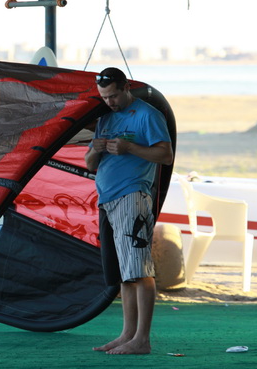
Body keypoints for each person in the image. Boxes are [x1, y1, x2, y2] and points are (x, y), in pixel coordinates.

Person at [85, 67, 173, 355]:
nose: (109, 102)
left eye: (112, 96)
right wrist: (96, 149)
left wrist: (130, 148)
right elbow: (89, 164)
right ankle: (127, 334)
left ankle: (142, 339)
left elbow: (165, 154)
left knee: (138, 268)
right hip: (107, 199)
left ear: (125, 88)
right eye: (104, 97)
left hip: (133, 195)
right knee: (125, 273)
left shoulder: (147, 115)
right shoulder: (106, 118)